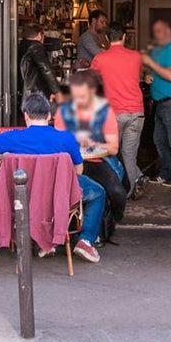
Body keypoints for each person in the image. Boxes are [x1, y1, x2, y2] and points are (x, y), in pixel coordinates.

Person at [0, 93, 105, 263]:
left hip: (24, 195)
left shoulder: (13, 137)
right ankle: (85, 241)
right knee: (99, 192)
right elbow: (78, 170)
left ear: (26, 115)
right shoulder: (66, 137)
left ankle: (43, 240)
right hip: (58, 195)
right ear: (48, 116)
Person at [54, 70, 127, 236]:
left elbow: (113, 148)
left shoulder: (105, 112)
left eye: (83, 96)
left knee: (117, 192)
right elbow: (59, 144)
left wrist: (92, 143)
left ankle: (110, 221)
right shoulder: (63, 112)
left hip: (96, 162)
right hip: (71, 162)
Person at [91, 21, 145, 199]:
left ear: (107, 38)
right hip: (136, 111)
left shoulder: (100, 58)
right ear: (124, 37)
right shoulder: (136, 56)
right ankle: (129, 192)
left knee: (108, 152)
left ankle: (114, 191)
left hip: (113, 113)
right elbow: (136, 76)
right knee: (130, 154)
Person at [142, 19, 171, 186]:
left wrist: (150, 62)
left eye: (160, 31)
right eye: (155, 32)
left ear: (169, 32)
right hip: (160, 103)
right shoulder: (158, 51)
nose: (157, 35)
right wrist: (147, 75)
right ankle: (165, 172)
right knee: (159, 141)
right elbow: (153, 70)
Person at [19, 23, 64, 106]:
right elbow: (45, 68)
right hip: (35, 93)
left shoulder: (22, 45)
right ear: (39, 35)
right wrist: (56, 91)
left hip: (24, 92)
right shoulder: (35, 46)